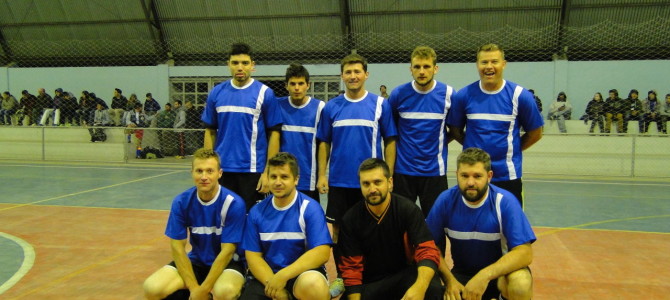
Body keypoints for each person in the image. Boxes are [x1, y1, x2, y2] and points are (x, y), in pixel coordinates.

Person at [315, 53, 397, 297]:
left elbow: (390, 140)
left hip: (370, 184)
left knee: (373, 229)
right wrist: (322, 175)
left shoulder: (380, 105)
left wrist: (388, 175)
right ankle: (342, 277)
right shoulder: (331, 107)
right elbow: (324, 144)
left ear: (366, 75)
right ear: (342, 76)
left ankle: (372, 275)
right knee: (340, 232)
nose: (353, 76)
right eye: (348, 72)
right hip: (340, 182)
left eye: (357, 72)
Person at [426, 147, 535, 300]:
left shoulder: (504, 202)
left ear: (489, 176)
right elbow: (430, 246)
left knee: (520, 283)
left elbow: (524, 253)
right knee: (424, 283)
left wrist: (484, 275)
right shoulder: (445, 201)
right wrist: (449, 280)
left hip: (500, 275)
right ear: (457, 175)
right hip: (462, 276)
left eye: (477, 176)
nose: (470, 182)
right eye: (464, 176)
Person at [447, 43, 543, 206]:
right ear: (477, 65)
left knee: (509, 227)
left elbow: (536, 133)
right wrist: (472, 147)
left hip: (507, 177)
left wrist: (512, 149)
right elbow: (455, 130)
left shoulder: (520, 96)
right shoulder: (464, 95)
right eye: (484, 62)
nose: (489, 67)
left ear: (503, 64)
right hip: (474, 177)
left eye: (494, 62)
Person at [143, 148, 247, 300]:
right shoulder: (182, 201)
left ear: (220, 173)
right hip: (197, 262)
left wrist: (203, 290)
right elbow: (177, 248)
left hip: (228, 265)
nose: (204, 177)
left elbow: (227, 252)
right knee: (152, 288)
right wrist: (194, 288)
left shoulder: (233, 203)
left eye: (210, 171)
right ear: (192, 172)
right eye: (199, 171)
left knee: (225, 291)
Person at [337, 158, 443, 300]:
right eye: (366, 184)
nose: (372, 189)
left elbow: (427, 251)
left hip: (405, 276)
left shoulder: (408, 209)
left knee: (432, 289)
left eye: (377, 182)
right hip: (371, 283)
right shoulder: (350, 220)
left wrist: (419, 288)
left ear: (390, 182)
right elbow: (351, 269)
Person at [202, 42, 282, 211]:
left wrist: (268, 171)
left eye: (245, 63)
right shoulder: (216, 93)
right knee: (223, 220)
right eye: (235, 63)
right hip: (222, 169)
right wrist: (209, 168)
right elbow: (210, 131)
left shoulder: (265, 93)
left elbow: (274, 134)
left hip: (253, 171)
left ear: (253, 66)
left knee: (252, 222)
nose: (240, 67)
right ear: (228, 65)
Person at [240, 152, 332, 300]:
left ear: (296, 179)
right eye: (273, 177)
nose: (278, 182)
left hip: (300, 275)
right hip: (268, 276)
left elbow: (322, 252)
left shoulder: (310, 208)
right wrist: (275, 286)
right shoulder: (256, 212)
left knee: (314, 286)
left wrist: (284, 275)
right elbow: (253, 257)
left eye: (284, 177)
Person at [387, 45, 454, 216]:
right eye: (417, 67)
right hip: (403, 172)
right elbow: (390, 133)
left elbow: (455, 129)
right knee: (401, 224)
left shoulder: (448, 94)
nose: (422, 71)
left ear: (435, 68)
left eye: (426, 66)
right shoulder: (398, 94)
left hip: (434, 173)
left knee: (435, 226)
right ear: (411, 69)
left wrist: (436, 141)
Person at [277, 63, 325, 201]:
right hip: (282, 178)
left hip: (308, 179)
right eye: (292, 84)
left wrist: (322, 175)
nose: (297, 88)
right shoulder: (277, 106)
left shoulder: (319, 107)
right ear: (286, 85)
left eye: (301, 83)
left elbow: (323, 144)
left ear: (308, 85)